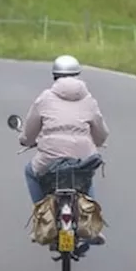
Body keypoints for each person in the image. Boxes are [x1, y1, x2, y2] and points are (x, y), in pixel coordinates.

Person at [19, 54, 109, 244]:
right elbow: (101, 132)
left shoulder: (44, 99)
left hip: (50, 158)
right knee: (84, 177)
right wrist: (98, 142)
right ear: (78, 75)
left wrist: (26, 140)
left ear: (55, 76)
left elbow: (30, 131)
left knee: (31, 172)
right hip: (83, 156)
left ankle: (42, 220)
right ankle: (90, 223)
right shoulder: (88, 100)